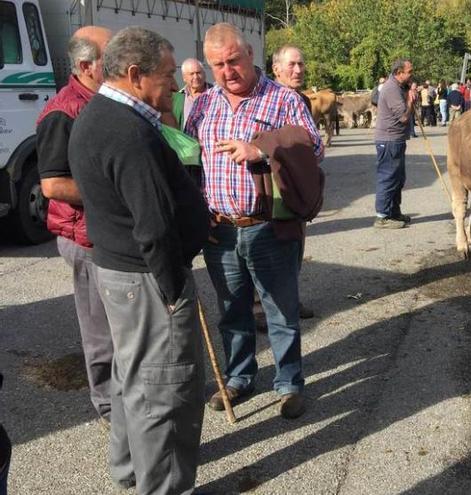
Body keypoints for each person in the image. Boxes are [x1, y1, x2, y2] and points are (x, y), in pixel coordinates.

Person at [68, 26, 210, 493]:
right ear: (134, 74)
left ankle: (128, 468)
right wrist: (172, 290)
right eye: (167, 76)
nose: (174, 85)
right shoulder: (127, 131)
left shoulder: (100, 114)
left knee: (135, 379)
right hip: (146, 279)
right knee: (165, 392)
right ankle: (164, 486)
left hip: (123, 274)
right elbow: (154, 225)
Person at [186, 23, 324, 419]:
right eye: (217, 65)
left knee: (280, 311)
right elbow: (191, 164)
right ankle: (239, 377)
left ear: (250, 54)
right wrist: (198, 212)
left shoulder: (282, 98)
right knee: (232, 312)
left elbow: (313, 148)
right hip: (221, 230)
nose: (227, 71)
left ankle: (289, 383)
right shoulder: (202, 105)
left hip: (268, 227)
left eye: (233, 60)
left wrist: (260, 149)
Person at [36, 25, 113, 426]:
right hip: (85, 237)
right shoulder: (62, 112)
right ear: (85, 65)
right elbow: (52, 184)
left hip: (112, 234)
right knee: (99, 330)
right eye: (110, 57)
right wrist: (113, 192)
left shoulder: (108, 100)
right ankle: (108, 407)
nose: (119, 62)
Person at [270, 44, 319, 320]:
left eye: (301, 64)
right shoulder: (277, 98)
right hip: (278, 187)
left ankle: (287, 299)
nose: (299, 70)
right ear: (276, 69)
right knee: (281, 246)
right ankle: (275, 306)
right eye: (292, 65)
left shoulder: (300, 99)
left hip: (292, 185)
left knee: (293, 245)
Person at [373, 59, 415, 229]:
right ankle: (382, 217)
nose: (412, 74)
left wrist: (410, 89)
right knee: (388, 177)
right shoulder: (391, 89)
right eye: (409, 72)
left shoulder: (398, 86)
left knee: (398, 178)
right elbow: (404, 118)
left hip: (396, 139)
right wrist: (411, 102)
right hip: (389, 140)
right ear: (399, 73)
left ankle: (394, 212)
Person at [173, 58, 211, 129]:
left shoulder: (216, 94)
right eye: (191, 74)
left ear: (204, 74)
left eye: (198, 73)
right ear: (184, 78)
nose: (196, 77)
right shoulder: (177, 98)